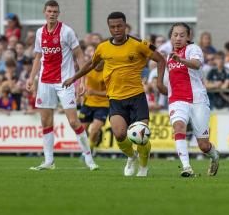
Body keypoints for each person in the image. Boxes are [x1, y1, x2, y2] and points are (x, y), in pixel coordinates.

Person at [63, 11, 166, 177]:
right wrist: (74, 77)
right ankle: (132, 157)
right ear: (109, 28)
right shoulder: (103, 47)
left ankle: (144, 168)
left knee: (142, 136)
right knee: (119, 135)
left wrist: (160, 83)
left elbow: (161, 59)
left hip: (137, 97)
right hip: (116, 99)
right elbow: (90, 64)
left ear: (125, 26)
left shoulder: (139, 44)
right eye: (112, 27)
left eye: (119, 26)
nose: (116, 29)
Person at [26, 0, 97, 171]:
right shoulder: (39, 33)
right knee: (45, 120)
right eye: (49, 11)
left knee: (73, 121)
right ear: (44, 12)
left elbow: (80, 56)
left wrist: (82, 80)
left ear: (58, 13)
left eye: (55, 12)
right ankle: (49, 161)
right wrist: (31, 78)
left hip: (64, 81)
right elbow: (37, 57)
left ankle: (88, 158)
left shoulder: (66, 31)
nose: (52, 14)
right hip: (44, 82)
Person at [159, 22, 219, 177]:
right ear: (170, 37)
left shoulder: (193, 49)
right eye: (175, 35)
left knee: (203, 146)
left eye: (182, 35)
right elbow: (169, 84)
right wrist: (158, 86)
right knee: (179, 127)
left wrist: (181, 60)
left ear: (188, 36)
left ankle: (214, 155)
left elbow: (197, 64)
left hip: (198, 100)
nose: (178, 38)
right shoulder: (169, 58)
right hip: (177, 101)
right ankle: (186, 167)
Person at [78, 60, 109, 155]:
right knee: (82, 131)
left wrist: (95, 92)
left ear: (104, 62)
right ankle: (87, 147)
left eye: (100, 61)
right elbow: (81, 75)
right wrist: (81, 88)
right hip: (88, 103)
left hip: (103, 105)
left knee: (94, 130)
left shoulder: (108, 72)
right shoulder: (89, 68)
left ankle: (89, 151)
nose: (98, 63)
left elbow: (110, 93)